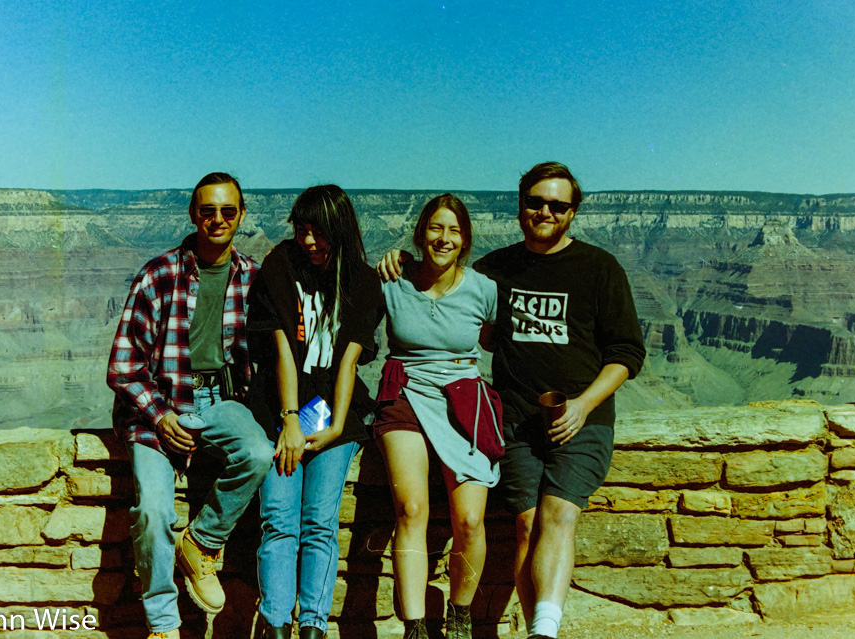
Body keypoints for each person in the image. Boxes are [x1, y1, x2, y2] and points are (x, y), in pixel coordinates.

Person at [379, 163, 645, 639]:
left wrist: (583, 405)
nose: (545, 211)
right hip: (516, 419)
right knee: (524, 525)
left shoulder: (599, 268)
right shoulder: (494, 271)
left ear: (573, 212)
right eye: (535, 202)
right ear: (520, 205)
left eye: (557, 205)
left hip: (583, 418)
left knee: (559, 514)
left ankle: (543, 630)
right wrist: (397, 259)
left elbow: (627, 352)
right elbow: (458, 309)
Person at [107, 172, 274, 639]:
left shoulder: (253, 276)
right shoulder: (159, 274)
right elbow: (123, 365)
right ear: (192, 214)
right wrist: (161, 417)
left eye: (227, 211)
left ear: (241, 215)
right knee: (154, 512)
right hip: (157, 406)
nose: (217, 219)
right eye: (207, 211)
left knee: (258, 453)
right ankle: (163, 624)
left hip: (220, 400)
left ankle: (200, 544)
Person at [246, 184, 384, 639]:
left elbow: (347, 359)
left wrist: (339, 425)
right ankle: (274, 624)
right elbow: (282, 345)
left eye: (319, 232)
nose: (308, 242)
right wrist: (288, 418)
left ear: (339, 230)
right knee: (280, 518)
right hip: (277, 410)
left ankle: (313, 627)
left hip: (333, 412)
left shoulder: (362, 282)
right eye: (302, 230)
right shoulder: (279, 267)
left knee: (319, 521)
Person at [373, 194, 498, 639]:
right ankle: (415, 627)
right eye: (435, 228)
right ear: (420, 232)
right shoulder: (392, 279)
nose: (443, 239)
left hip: (464, 399)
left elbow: (497, 345)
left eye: (454, 231)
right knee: (411, 508)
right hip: (404, 392)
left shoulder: (484, 290)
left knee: (468, 520)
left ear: (465, 240)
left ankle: (460, 615)